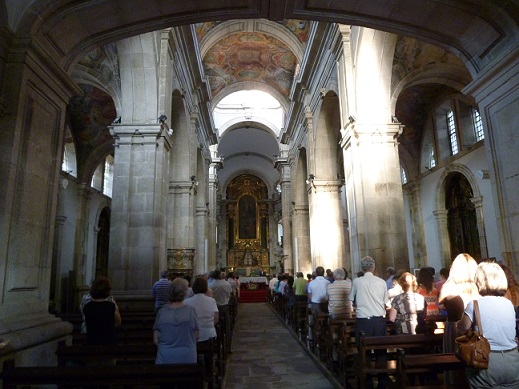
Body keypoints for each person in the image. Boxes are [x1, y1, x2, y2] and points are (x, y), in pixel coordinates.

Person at [457, 261, 519, 388]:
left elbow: (462, 328)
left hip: (486, 360)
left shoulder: (474, 305)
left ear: (479, 282)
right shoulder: (508, 304)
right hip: (512, 358)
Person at [439, 253, 480, 385]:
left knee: (455, 362)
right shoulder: (479, 287)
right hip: (476, 327)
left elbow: (440, 305)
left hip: (456, 328)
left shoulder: (449, 288)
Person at [349, 256, 388, 389]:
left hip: (363, 321)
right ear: (373, 267)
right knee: (381, 352)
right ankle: (383, 382)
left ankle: (368, 382)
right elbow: (385, 302)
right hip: (378, 321)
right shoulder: (381, 282)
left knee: (363, 352)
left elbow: (351, 299)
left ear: (362, 268)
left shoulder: (357, 282)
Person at [153, 278, 199, 364]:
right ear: (185, 293)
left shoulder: (161, 311)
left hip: (165, 357)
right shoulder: (191, 311)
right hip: (187, 356)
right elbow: (197, 335)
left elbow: (156, 340)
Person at [82, 276, 121, 345]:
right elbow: (118, 323)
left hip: (91, 341)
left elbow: (86, 321)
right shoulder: (112, 306)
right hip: (109, 341)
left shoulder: (87, 306)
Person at [184, 276, 219, 342]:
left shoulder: (186, 302)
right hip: (209, 335)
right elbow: (216, 319)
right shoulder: (211, 300)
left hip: (191, 336)